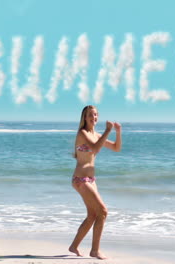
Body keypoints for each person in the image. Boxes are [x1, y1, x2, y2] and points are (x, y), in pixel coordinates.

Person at [68, 105, 121, 260]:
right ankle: (95, 251)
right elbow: (95, 148)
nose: (94, 118)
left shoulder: (96, 134)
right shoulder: (82, 133)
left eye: (96, 115)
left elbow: (116, 148)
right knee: (103, 211)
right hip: (80, 179)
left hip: (91, 180)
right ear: (84, 117)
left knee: (92, 215)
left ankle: (74, 246)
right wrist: (107, 131)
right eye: (90, 115)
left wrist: (118, 132)